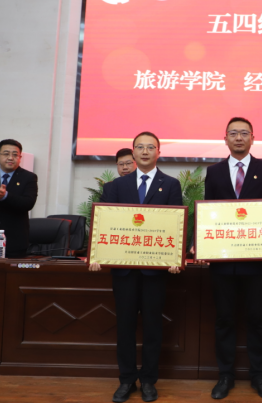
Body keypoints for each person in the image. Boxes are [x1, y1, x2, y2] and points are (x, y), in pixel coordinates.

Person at [89, 131, 183, 403]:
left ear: (158, 152)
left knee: (153, 327)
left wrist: (175, 258)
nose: (144, 151)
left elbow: (175, 224)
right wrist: (97, 254)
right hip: (124, 271)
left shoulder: (171, 184)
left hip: (155, 271)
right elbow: (105, 223)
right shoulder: (116, 186)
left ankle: (149, 380)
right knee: (125, 326)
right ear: (133, 153)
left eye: (150, 147)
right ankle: (127, 379)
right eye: (139, 147)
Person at [196, 117, 262, 400]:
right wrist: (201, 244)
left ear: (253, 138)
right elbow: (208, 212)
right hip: (222, 262)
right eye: (234, 133)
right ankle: (225, 375)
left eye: (244, 133)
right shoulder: (214, 171)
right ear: (226, 139)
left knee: (256, 319)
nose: (239, 138)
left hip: (256, 261)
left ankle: (259, 376)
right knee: (224, 319)